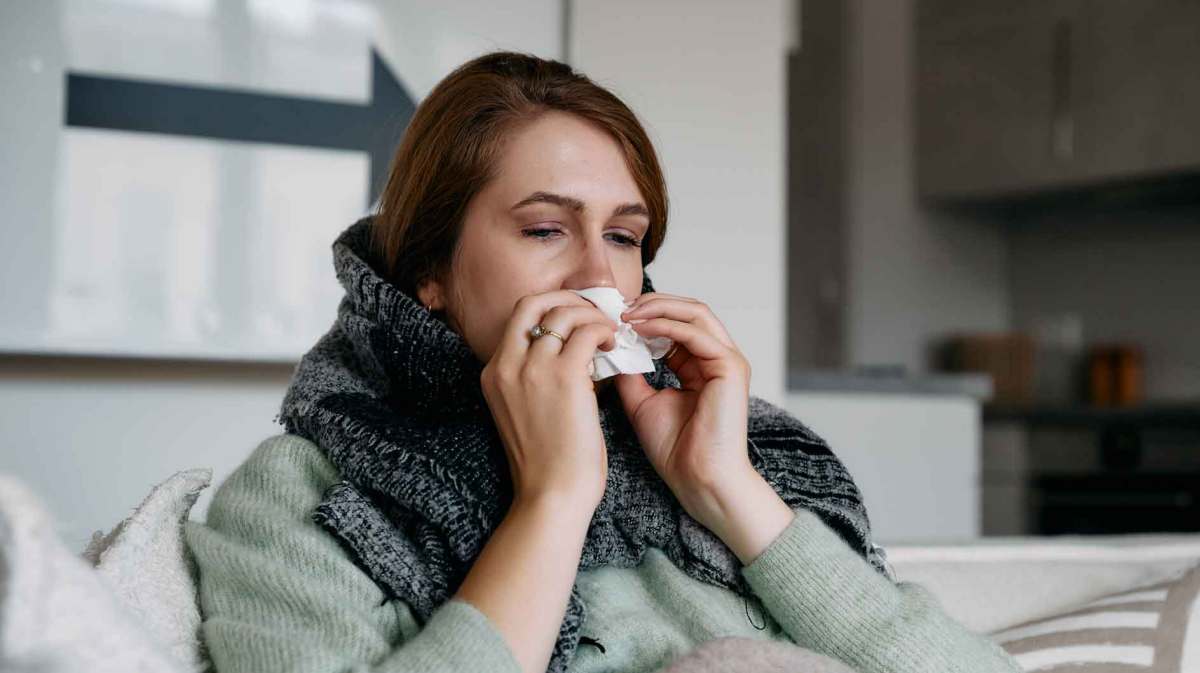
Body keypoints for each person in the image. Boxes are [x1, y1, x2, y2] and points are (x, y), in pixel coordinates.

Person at [184, 51, 1020, 673]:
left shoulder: (737, 459)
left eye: (623, 236)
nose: (596, 276)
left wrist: (726, 487)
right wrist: (551, 502)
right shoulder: (303, 496)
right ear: (427, 273)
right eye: (546, 228)